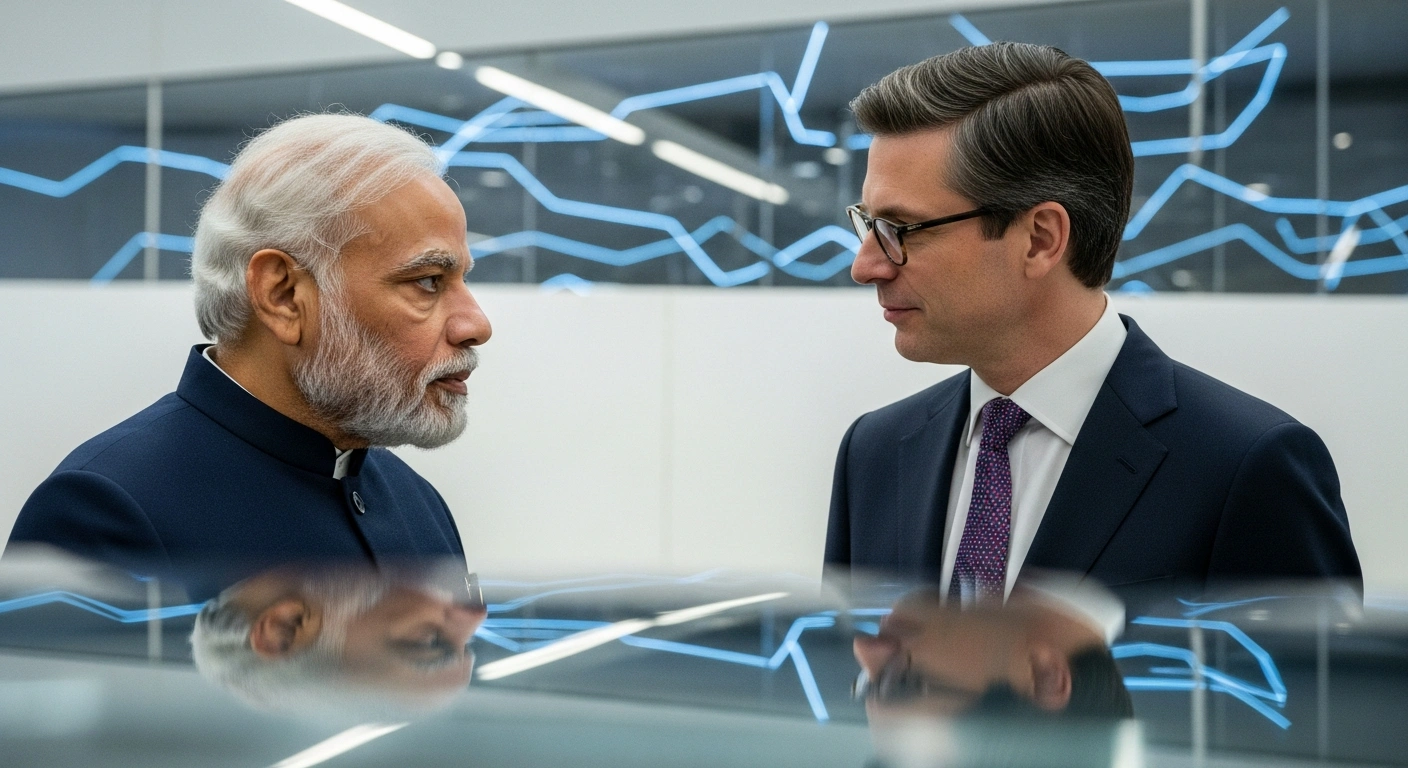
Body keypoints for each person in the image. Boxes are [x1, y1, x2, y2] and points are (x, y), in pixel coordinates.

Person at [824, 43, 1360, 597]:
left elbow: (1306, 686)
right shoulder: (876, 452)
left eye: (901, 230)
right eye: (867, 223)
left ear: (1040, 239)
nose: (865, 266)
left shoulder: (1247, 468)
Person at [8, 114, 491, 581]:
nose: (477, 324)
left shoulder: (416, 502)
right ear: (282, 295)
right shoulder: (108, 512)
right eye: (428, 281)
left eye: (462, 279)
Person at [191, 562, 485, 712]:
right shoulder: (423, 510)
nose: (478, 615)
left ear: (288, 626)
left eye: (429, 641)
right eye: (467, 644)